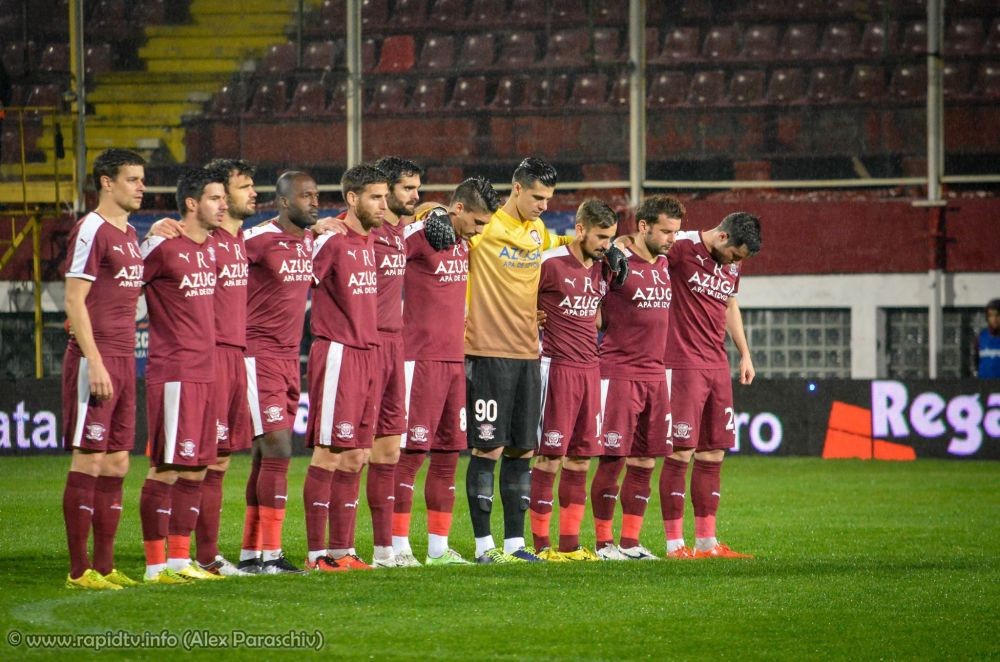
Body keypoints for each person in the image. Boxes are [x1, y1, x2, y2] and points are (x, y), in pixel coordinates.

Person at [463, 157, 627, 563]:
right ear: (516, 189)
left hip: (527, 355)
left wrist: (615, 249)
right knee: (488, 449)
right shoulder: (485, 229)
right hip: (487, 351)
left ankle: (516, 546)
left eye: (549, 198)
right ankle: (484, 547)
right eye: (537, 197)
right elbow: (449, 216)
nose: (543, 205)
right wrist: (428, 212)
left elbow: (564, 245)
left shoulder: (537, 232)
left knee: (521, 448)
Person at [391, 177, 500, 566]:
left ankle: (438, 549)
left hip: (455, 360)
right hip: (418, 360)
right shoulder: (423, 235)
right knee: (411, 453)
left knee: (447, 455)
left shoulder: (461, 240)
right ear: (458, 209)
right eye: (477, 222)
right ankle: (398, 546)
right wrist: (424, 219)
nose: (480, 230)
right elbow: (384, 244)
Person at [137, 168, 228, 583]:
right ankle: (156, 566)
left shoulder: (210, 247)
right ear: (191, 203)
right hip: (174, 372)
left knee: (196, 469)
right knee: (168, 468)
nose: (222, 204)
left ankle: (178, 561)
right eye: (214, 198)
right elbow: (120, 283)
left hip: (206, 372)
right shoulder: (161, 246)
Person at [61, 148, 146, 590]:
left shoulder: (130, 233)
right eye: (133, 179)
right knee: (89, 459)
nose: (141, 187)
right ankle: (80, 571)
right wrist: (93, 361)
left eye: (142, 179)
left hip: (125, 357)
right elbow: (74, 300)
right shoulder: (91, 228)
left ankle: (106, 567)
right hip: (94, 358)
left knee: (116, 463)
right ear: (107, 182)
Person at [658, 212, 762, 559]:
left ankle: (706, 542)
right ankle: (675, 544)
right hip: (680, 362)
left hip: (716, 364)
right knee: (680, 452)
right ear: (721, 237)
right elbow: (639, 252)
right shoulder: (681, 248)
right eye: (735, 255)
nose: (735, 262)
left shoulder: (732, 262)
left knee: (714, 451)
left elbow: (730, 303)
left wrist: (744, 354)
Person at [301, 163, 387, 572]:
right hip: (338, 352)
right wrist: (310, 231)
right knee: (329, 452)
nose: (384, 205)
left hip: (369, 354)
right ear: (352, 198)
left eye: (385, 197)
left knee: (357, 457)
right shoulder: (333, 238)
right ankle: (317, 553)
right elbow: (297, 277)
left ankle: (342, 551)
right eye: (376, 197)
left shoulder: (371, 239)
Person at [590, 195, 684, 561]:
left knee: (645, 461)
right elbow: (590, 302)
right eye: (666, 231)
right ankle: (602, 544)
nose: (672, 238)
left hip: (656, 375)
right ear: (643, 226)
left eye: (675, 231)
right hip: (618, 372)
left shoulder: (665, 261)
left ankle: (630, 542)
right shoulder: (613, 262)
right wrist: (614, 247)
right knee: (613, 458)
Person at [237, 171, 322, 574]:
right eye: (306, 196)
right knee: (279, 449)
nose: (315, 202)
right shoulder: (256, 239)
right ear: (285, 201)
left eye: (316, 195)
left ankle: (252, 554)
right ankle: (271, 554)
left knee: (262, 455)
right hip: (257, 357)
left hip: (289, 359)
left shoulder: (310, 240)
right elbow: (219, 257)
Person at [529, 199, 617, 562]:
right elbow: (518, 299)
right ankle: (540, 545)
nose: (606, 245)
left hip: (590, 370)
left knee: (581, 460)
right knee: (549, 458)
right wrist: (532, 317)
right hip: (556, 368)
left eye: (611, 238)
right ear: (579, 230)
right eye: (600, 237)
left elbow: (596, 316)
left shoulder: (604, 267)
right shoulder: (549, 264)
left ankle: (569, 545)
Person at [190, 158, 257, 576]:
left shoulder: (242, 240)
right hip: (209, 356)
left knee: (221, 461)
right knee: (198, 461)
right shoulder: (201, 240)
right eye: (244, 187)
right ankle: (190, 554)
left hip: (237, 356)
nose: (253, 193)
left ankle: (206, 554)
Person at [363, 156, 422, 568]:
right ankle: (331, 550)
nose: (415, 196)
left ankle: (385, 550)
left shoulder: (404, 233)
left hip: (395, 346)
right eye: (408, 189)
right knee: (348, 455)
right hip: (361, 347)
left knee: (388, 453)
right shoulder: (365, 228)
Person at [976, 299, 1000, 378]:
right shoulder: (981, 337)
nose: (994, 319)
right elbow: (976, 361)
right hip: (984, 387)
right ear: (987, 318)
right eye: (991, 315)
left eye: (998, 315)